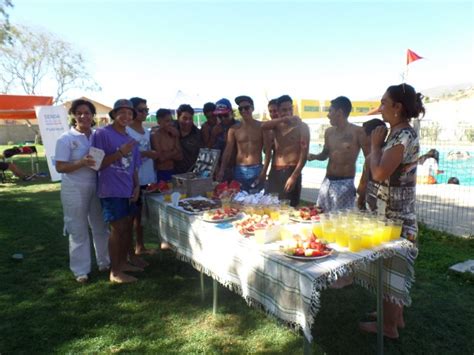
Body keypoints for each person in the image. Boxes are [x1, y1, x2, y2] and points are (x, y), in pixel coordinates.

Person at [357, 83, 424, 339]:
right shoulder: (396, 134)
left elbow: (380, 172)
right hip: (389, 215)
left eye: (384, 102)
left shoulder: (403, 136)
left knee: (391, 271)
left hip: (395, 218)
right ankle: (395, 316)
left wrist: (375, 145)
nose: (381, 107)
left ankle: (388, 327)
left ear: (398, 107)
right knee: (390, 270)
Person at [54, 99, 110, 283]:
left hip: (98, 185)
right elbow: (60, 167)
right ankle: (81, 270)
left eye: (87, 113)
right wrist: (81, 163)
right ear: (73, 116)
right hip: (74, 188)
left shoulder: (97, 135)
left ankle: (105, 261)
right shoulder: (66, 139)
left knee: (100, 225)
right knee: (77, 228)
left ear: (93, 115)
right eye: (79, 113)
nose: (83, 116)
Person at [91, 99, 143, 284]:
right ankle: (115, 272)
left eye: (130, 113)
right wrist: (120, 153)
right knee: (117, 229)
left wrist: (136, 187)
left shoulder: (131, 139)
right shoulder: (101, 134)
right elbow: (96, 164)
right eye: (122, 112)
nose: (126, 117)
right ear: (113, 114)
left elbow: (135, 167)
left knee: (127, 228)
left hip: (128, 190)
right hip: (111, 189)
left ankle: (123, 264)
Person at [308, 96, 369, 212]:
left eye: (330, 111)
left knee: (340, 222)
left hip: (345, 183)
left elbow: (369, 160)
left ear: (339, 112)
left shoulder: (358, 132)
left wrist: (363, 185)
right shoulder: (329, 132)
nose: (328, 115)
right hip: (327, 181)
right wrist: (314, 157)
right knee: (321, 216)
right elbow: (325, 154)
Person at [262, 95, 310, 206]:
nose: (288, 113)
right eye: (284, 110)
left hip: (291, 171)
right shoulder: (276, 126)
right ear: (278, 111)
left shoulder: (302, 127)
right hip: (275, 171)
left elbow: (304, 154)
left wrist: (294, 176)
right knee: (270, 205)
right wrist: (283, 119)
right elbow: (263, 126)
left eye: (290, 109)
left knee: (289, 207)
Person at [216, 95, 271, 191]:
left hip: (256, 169)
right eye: (240, 109)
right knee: (239, 202)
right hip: (239, 170)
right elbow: (227, 151)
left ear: (252, 108)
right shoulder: (234, 129)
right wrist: (221, 170)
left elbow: (268, 152)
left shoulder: (262, 127)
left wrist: (264, 172)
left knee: (257, 202)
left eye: (246, 108)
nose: (243, 111)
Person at [126, 97, 158, 255]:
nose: (145, 113)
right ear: (132, 111)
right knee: (130, 217)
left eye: (146, 110)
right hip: (133, 180)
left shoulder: (147, 131)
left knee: (140, 217)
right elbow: (126, 156)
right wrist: (145, 153)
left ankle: (140, 246)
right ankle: (129, 252)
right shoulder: (126, 131)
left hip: (148, 177)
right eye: (141, 110)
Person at [356, 118, 387, 209]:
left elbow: (363, 184)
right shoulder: (390, 152)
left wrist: (359, 201)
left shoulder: (371, 158)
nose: (360, 136)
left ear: (371, 136)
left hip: (374, 205)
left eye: (362, 134)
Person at [210, 98, 238, 181]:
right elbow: (211, 150)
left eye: (225, 115)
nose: (223, 119)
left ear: (231, 113)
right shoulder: (216, 128)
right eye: (219, 116)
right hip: (220, 169)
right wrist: (213, 136)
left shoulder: (239, 127)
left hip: (237, 168)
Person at [150, 108, 183, 182]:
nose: (170, 123)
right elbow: (160, 158)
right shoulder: (155, 135)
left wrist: (167, 154)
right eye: (167, 121)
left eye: (171, 120)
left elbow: (180, 156)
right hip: (161, 173)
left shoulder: (173, 134)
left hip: (173, 171)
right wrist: (174, 152)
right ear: (159, 122)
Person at [173, 104, 203, 174]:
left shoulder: (197, 134)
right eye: (185, 118)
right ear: (178, 117)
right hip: (171, 173)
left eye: (190, 119)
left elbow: (202, 155)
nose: (188, 122)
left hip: (190, 175)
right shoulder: (170, 129)